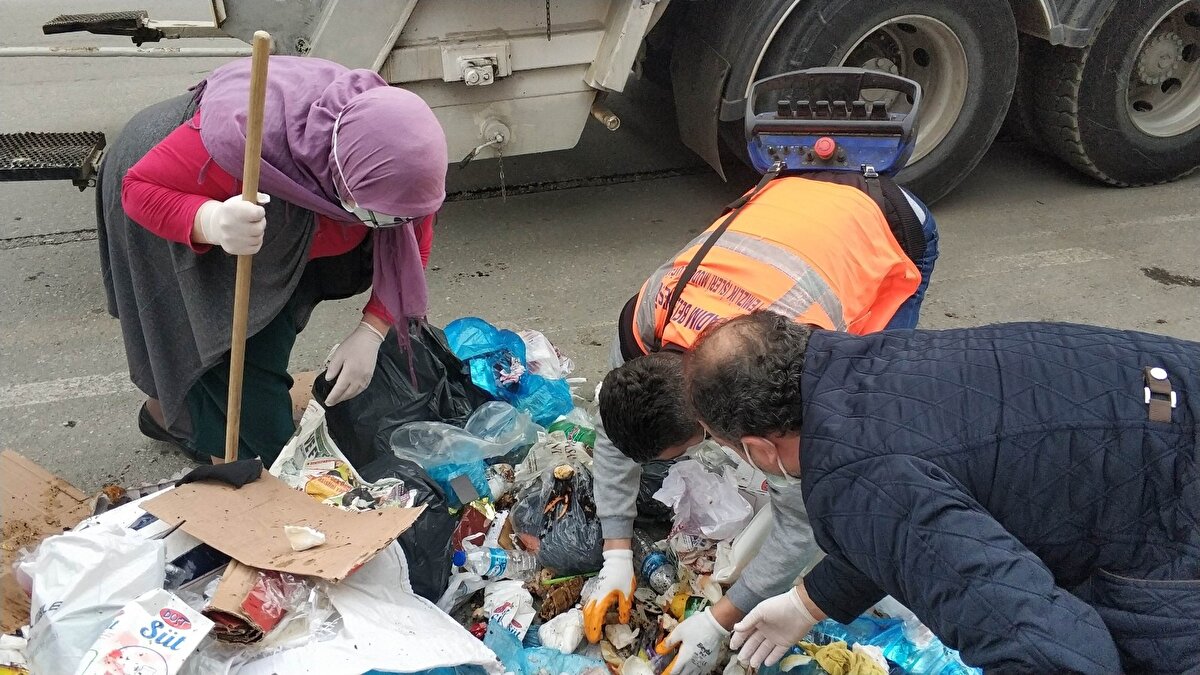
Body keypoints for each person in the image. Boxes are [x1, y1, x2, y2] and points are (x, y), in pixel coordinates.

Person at [683, 311, 1200, 674]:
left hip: (1170, 503)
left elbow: (1054, 650)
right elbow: (911, 516)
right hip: (1169, 389)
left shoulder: (854, 479)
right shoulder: (863, 364)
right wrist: (808, 602)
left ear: (759, 450)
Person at [583, 171, 940, 672]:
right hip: (793, 197)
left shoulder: (776, 379)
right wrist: (615, 552)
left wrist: (720, 619)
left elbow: (800, 525)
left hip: (889, 223)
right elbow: (612, 426)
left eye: (686, 451)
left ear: (710, 425)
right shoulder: (642, 324)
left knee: (870, 418)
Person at [98, 55, 448, 465]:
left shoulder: (398, 161)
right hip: (186, 185)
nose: (389, 225)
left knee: (269, 324)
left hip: (291, 214)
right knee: (230, 348)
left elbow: (412, 237)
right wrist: (208, 221)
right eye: (376, 214)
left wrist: (373, 330)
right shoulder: (241, 148)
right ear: (340, 176)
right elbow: (139, 188)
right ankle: (190, 424)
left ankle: (175, 416)